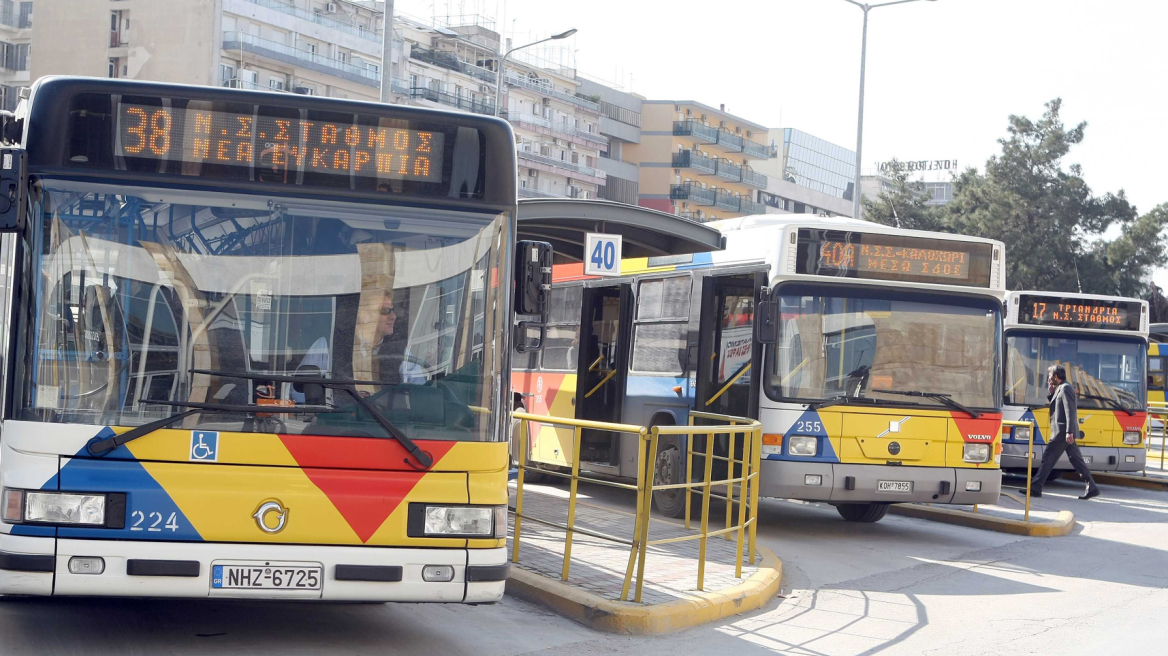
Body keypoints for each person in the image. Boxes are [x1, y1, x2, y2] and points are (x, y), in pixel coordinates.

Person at [1030, 364, 1101, 500]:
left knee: (1048, 458)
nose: (1049, 379)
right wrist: (1051, 393)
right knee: (1076, 460)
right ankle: (1092, 487)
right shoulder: (1060, 388)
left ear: (1056, 376)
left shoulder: (1066, 388)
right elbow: (1058, 406)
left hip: (1062, 432)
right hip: (1063, 432)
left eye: (1050, 377)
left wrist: (1069, 431)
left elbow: (1070, 410)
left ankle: (1035, 488)